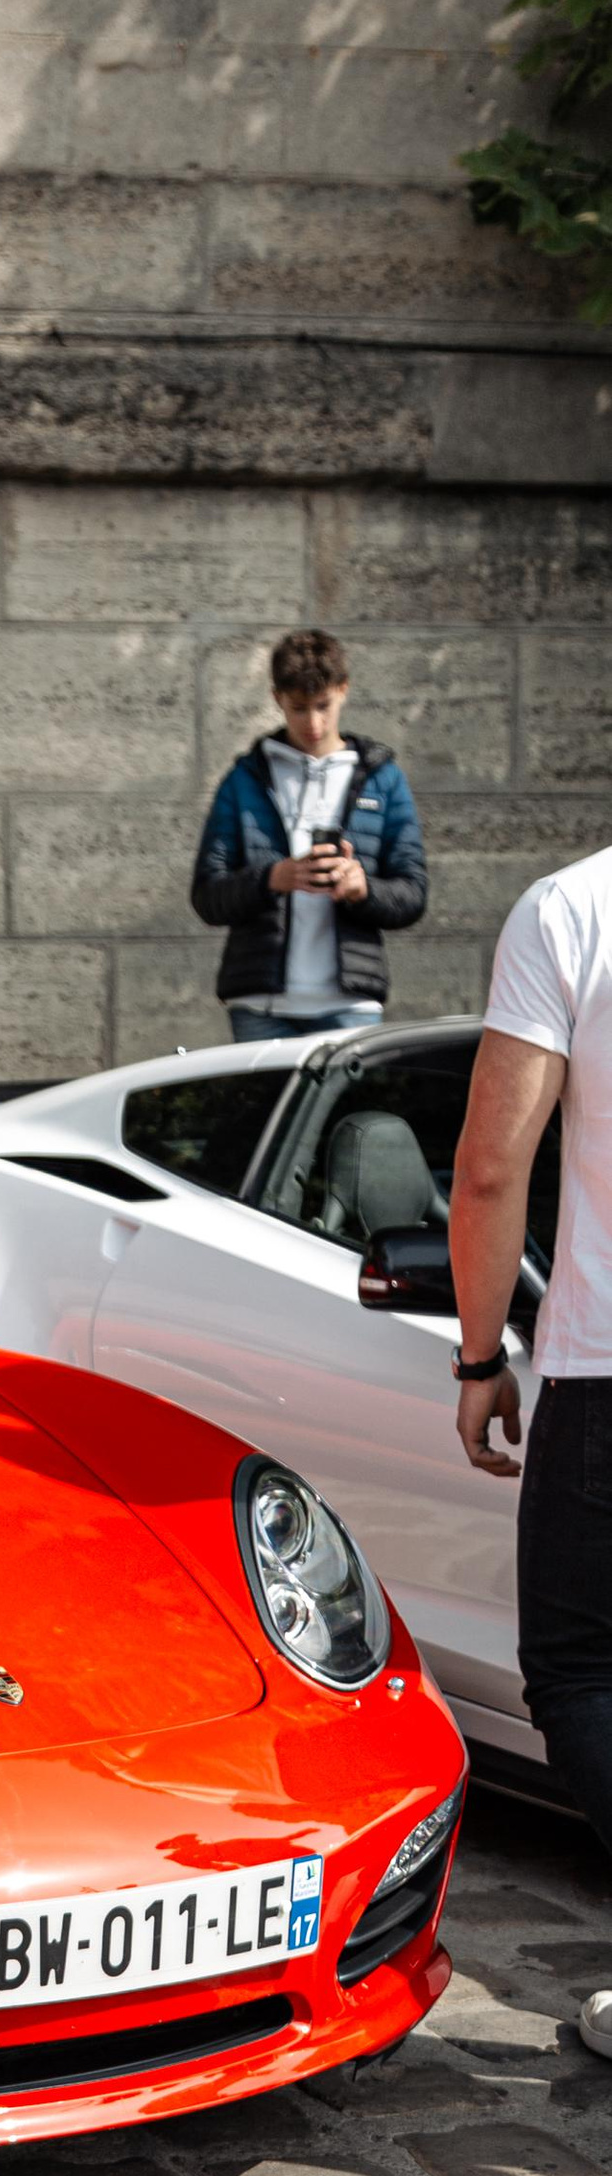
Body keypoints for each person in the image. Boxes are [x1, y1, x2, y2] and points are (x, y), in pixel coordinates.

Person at [452, 840, 612, 2047]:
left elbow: (490, 1164)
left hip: (606, 1373)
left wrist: (477, 1358)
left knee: (578, 1671)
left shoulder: (573, 909)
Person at [190, 630, 428, 1043]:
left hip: (350, 1005)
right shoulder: (244, 779)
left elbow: (414, 894)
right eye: (299, 708)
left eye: (323, 706)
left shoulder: (382, 778)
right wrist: (272, 879)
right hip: (259, 1005)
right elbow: (207, 896)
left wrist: (362, 889)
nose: (313, 723)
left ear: (343, 690)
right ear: (277, 698)